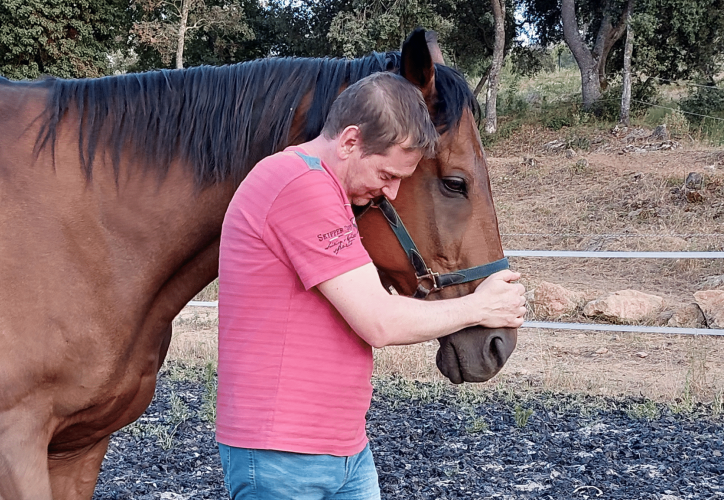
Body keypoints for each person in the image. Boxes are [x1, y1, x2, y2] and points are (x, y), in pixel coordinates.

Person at [216, 72, 526, 500]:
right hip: (282, 454)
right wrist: (480, 307)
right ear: (349, 142)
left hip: (342, 448)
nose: (392, 191)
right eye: (387, 173)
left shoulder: (329, 191)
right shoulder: (299, 184)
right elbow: (378, 321)